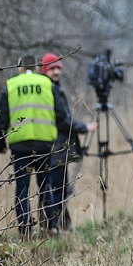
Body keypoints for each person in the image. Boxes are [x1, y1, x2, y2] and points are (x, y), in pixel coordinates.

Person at [0, 54, 69, 237]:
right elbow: (61, 114)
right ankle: (49, 227)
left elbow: (1, 119)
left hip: (20, 146)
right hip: (43, 144)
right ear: (36, 67)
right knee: (45, 185)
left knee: (22, 189)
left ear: (19, 68)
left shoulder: (11, 86)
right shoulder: (46, 84)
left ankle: (25, 231)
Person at [40, 53, 98, 231]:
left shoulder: (55, 87)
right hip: (55, 146)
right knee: (58, 189)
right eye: (52, 68)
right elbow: (62, 119)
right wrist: (84, 127)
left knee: (60, 188)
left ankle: (61, 224)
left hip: (56, 146)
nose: (56, 71)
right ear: (45, 70)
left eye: (58, 68)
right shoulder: (50, 89)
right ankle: (54, 226)